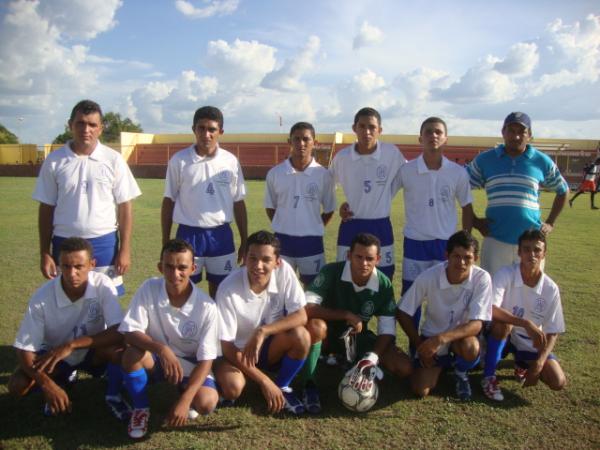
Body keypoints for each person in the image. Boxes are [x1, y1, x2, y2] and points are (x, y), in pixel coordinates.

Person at [8, 237, 128, 419]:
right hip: (54, 355)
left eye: (79, 266)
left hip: (91, 351)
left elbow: (119, 330)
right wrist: (47, 384)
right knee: (18, 385)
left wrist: (71, 345)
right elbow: (24, 349)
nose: (72, 273)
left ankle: (114, 396)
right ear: (59, 266)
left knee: (120, 351)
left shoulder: (102, 284)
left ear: (91, 264)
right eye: (66, 266)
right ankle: (61, 380)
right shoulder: (42, 296)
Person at [33, 100, 141, 295]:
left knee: (107, 299)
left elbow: (125, 206)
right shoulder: (54, 161)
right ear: (70, 125)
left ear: (101, 128)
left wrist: (124, 249)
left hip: (104, 242)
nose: (86, 129)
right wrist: (45, 252)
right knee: (67, 299)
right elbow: (46, 208)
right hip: (64, 243)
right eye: (81, 123)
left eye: (92, 124)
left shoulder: (113, 159)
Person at [119, 239, 219, 439]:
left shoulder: (207, 307)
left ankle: (184, 395)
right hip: (157, 358)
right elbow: (130, 331)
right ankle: (140, 409)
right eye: (169, 267)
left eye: (182, 267)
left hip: (190, 364)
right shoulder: (149, 287)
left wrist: (185, 400)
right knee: (131, 354)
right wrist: (162, 349)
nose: (175, 274)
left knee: (206, 402)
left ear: (193, 268)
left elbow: (207, 359)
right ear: (160, 267)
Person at [302, 233, 412, 413]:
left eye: (369, 258)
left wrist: (373, 357)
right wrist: (346, 314)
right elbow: (307, 308)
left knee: (404, 367)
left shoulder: (383, 285)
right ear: (349, 255)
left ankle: (354, 361)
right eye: (358, 257)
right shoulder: (331, 271)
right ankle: (309, 385)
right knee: (315, 326)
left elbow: (387, 330)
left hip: (355, 338)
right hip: (326, 335)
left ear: (378, 259)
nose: (364, 263)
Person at [215, 231, 310, 415]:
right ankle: (254, 381)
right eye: (253, 258)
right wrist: (264, 381)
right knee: (233, 388)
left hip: (267, 347)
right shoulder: (228, 288)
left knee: (301, 335)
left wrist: (263, 331)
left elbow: (301, 315)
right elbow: (226, 346)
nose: (258, 266)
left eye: (266, 260)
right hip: (237, 352)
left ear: (277, 262)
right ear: (244, 258)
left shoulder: (285, 272)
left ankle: (282, 387)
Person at [161, 106, 248, 298]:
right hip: (188, 234)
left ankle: (215, 327)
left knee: (222, 290)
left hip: (221, 235)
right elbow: (169, 200)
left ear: (221, 132)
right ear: (194, 129)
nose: (206, 134)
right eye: (201, 128)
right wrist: (165, 240)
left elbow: (238, 201)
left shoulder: (230, 161)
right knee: (182, 289)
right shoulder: (179, 160)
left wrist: (244, 239)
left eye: (212, 130)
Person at [467, 112, 569, 276]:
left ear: (529, 135)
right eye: (511, 130)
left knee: (528, 294)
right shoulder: (485, 159)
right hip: (495, 240)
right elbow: (461, 186)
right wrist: (475, 221)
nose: (515, 136)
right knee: (493, 294)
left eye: (521, 131)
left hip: (531, 243)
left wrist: (550, 222)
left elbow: (563, 190)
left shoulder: (541, 161)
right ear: (503, 132)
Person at [397, 117, 474, 331]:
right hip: (415, 244)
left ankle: (443, 345)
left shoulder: (457, 172)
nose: (433, 136)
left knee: (446, 297)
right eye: (428, 132)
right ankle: (414, 348)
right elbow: (383, 195)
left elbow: (467, 207)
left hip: (445, 245)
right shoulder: (407, 170)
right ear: (420, 138)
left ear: (446, 138)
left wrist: (465, 242)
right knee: (411, 298)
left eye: (438, 132)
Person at [397, 231, 492, 401]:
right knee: (420, 390)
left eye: (467, 257)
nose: (461, 263)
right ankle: (442, 365)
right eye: (456, 256)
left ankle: (461, 372)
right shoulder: (429, 276)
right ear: (446, 255)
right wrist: (420, 344)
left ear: (475, 258)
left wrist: (441, 339)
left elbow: (477, 324)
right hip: (432, 338)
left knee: (471, 348)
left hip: (459, 339)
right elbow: (403, 311)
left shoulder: (482, 278)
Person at [481, 229, 566, 401]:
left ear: (544, 254)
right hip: (502, 334)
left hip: (528, 341)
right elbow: (490, 308)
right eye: (526, 249)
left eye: (537, 250)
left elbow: (553, 331)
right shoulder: (506, 274)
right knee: (504, 324)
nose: (532, 254)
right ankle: (488, 377)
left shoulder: (550, 288)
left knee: (558, 381)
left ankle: (523, 363)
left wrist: (539, 363)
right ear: (519, 252)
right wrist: (526, 323)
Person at [331, 107, 406, 279]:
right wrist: (340, 207)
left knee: (383, 275)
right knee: (346, 274)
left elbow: (408, 176)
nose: (367, 131)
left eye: (372, 127)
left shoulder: (392, 153)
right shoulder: (342, 158)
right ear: (354, 128)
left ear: (380, 130)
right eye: (362, 126)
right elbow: (327, 185)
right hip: (351, 224)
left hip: (380, 224)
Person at [264, 122, 336, 285]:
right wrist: (285, 224)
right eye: (296, 139)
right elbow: (270, 207)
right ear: (289, 142)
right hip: (282, 240)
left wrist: (313, 226)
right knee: (280, 289)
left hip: (312, 242)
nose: (301, 144)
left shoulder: (323, 175)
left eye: (306, 139)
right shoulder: (275, 173)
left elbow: (330, 209)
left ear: (314, 142)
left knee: (313, 291)